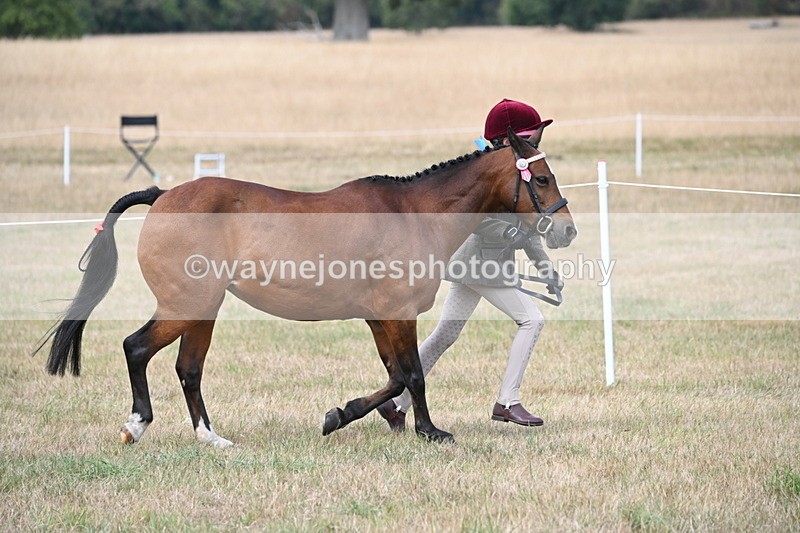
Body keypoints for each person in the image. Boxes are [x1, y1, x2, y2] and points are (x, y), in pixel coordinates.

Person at [377, 98, 561, 431]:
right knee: (531, 320)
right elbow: (476, 220)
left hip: (472, 266)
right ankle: (508, 401)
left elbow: (530, 225)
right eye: (532, 138)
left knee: (445, 333)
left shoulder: (517, 171)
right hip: (480, 265)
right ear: (510, 141)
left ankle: (397, 404)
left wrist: (544, 267)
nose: (536, 145)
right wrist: (513, 234)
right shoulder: (488, 173)